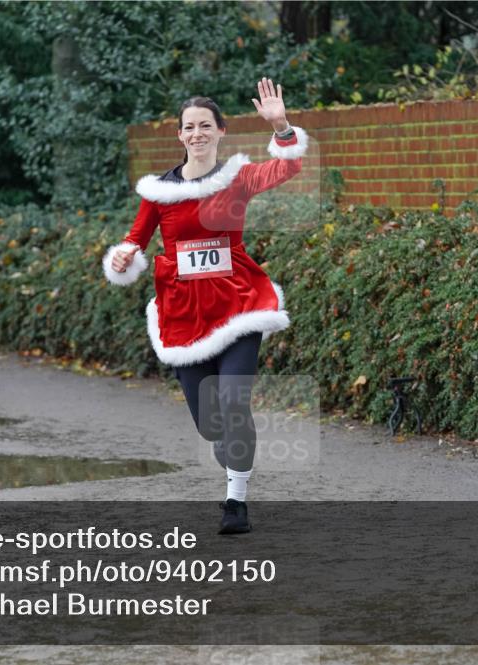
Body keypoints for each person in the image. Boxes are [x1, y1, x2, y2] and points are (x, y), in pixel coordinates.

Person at [103, 78, 308, 534]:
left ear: (220, 132)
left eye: (205, 126)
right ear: (180, 135)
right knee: (213, 426)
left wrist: (281, 126)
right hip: (183, 316)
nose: (197, 133)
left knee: (234, 402)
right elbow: (135, 240)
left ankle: (236, 502)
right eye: (189, 127)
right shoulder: (159, 191)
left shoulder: (237, 177)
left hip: (238, 305)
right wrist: (124, 257)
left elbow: (286, 168)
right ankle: (229, 447)